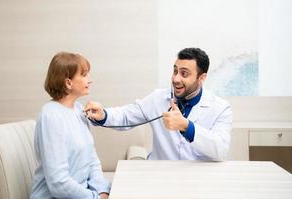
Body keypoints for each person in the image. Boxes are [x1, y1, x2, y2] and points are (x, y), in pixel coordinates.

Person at [84, 48, 232, 161]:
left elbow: (220, 150)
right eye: (175, 71)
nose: (176, 79)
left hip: (198, 180)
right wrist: (103, 114)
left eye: (184, 74)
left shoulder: (220, 108)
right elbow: (127, 115)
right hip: (159, 176)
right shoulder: (158, 98)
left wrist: (187, 126)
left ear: (202, 78)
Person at [30, 52, 111, 199]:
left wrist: (102, 191)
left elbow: (91, 160)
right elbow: (58, 183)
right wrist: (94, 198)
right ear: (68, 83)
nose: (90, 80)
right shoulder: (51, 116)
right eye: (85, 75)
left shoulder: (80, 110)